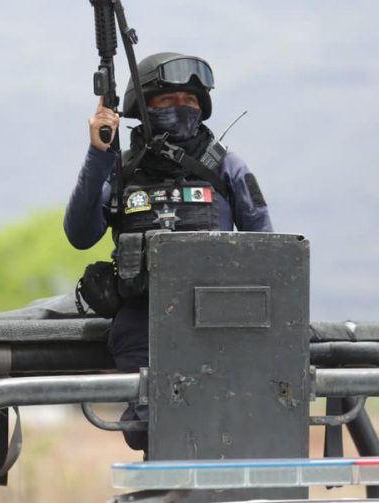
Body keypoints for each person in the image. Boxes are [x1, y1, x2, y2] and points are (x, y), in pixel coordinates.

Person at [64, 52, 272, 449]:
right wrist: (98, 154)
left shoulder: (228, 169)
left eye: (190, 100)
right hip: (142, 324)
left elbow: (268, 255)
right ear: (143, 107)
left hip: (218, 325)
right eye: (168, 100)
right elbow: (79, 233)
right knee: (150, 430)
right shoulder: (120, 170)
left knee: (223, 429)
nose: (182, 107)